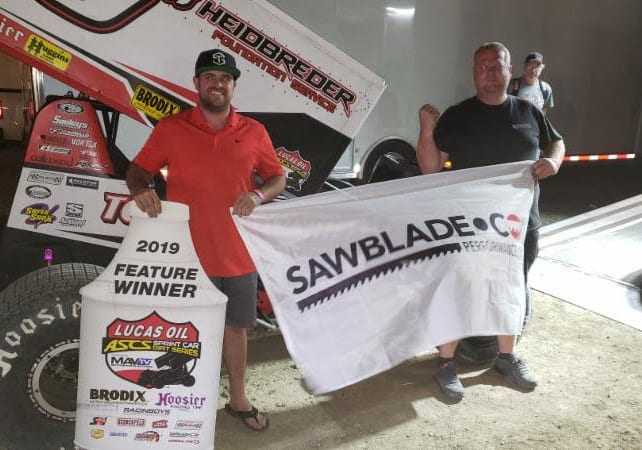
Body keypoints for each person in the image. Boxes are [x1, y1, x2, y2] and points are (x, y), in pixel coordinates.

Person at [126, 48, 286, 430]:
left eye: (226, 78)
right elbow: (137, 172)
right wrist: (140, 190)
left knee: (235, 329)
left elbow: (278, 178)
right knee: (184, 332)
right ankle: (182, 400)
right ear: (197, 83)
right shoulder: (172, 128)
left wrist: (257, 194)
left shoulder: (253, 132)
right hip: (186, 255)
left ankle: (238, 397)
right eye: (210, 77)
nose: (218, 84)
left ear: (234, 87)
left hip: (238, 254)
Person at [416, 42, 565, 401]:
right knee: (459, 286)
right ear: (473, 73)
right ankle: (446, 364)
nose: (489, 72)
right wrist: (425, 129)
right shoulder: (457, 116)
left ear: (508, 69)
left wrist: (554, 162)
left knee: (510, 287)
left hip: (520, 223)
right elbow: (431, 168)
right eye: (481, 66)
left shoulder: (528, 111)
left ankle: (506, 357)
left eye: (496, 65)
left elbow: (556, 142)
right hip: (469, 224)